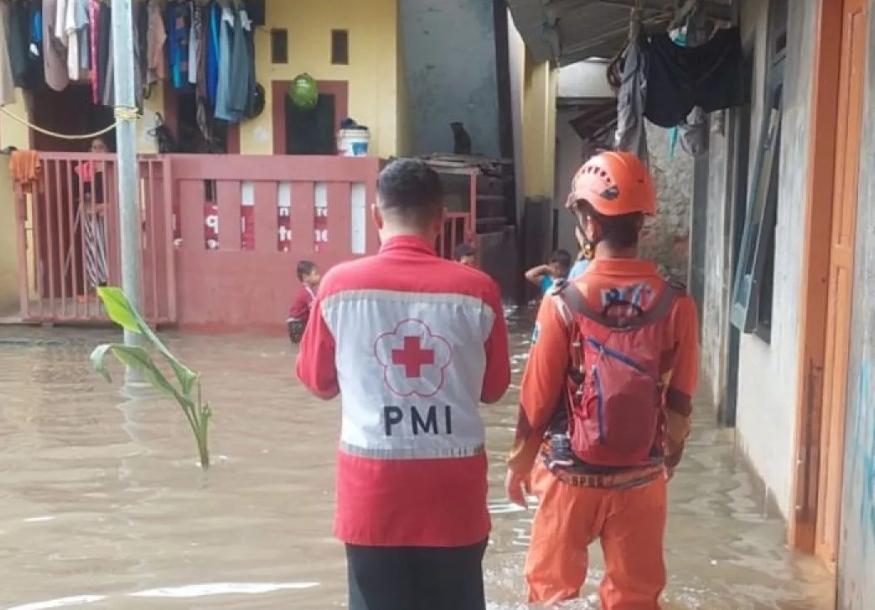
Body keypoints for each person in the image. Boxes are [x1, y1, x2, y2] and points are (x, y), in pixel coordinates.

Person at [296, 158, 511, 610]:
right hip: (454, 501)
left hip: (372, 499)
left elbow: (317, 383)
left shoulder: (338, 287)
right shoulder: (478, 291)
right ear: (439, 220)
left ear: (376, 216)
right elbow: (493, 390)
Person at [505, 151, 699, 608]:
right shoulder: (677, 304)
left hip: (568, 477)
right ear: (641, 224)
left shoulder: (562, 302)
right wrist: (663, 462)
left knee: (552, 594)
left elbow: (536, 399)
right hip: (641, 477)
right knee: (636, 597)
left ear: (589, 225)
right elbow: (682, 399)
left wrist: (518, 464)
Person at [286, 260, 320, 344]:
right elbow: (315, 310)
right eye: (315, 274)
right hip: (297, 326)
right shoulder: (306, 293)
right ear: (305, 277)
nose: (318, 276)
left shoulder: (309, 292)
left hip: (297, 325)